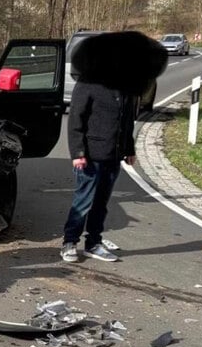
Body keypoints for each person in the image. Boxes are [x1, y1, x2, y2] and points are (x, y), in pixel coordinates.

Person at [60, 31, 167, 263]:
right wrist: (78, 153)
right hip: (90, 156)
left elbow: (127, 121)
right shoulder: (88, 82)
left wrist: (129, 149)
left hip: (113, 155)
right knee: (83, 201)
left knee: (101, 204)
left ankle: (93, 243)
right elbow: (76, 120)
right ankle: (69, 242)